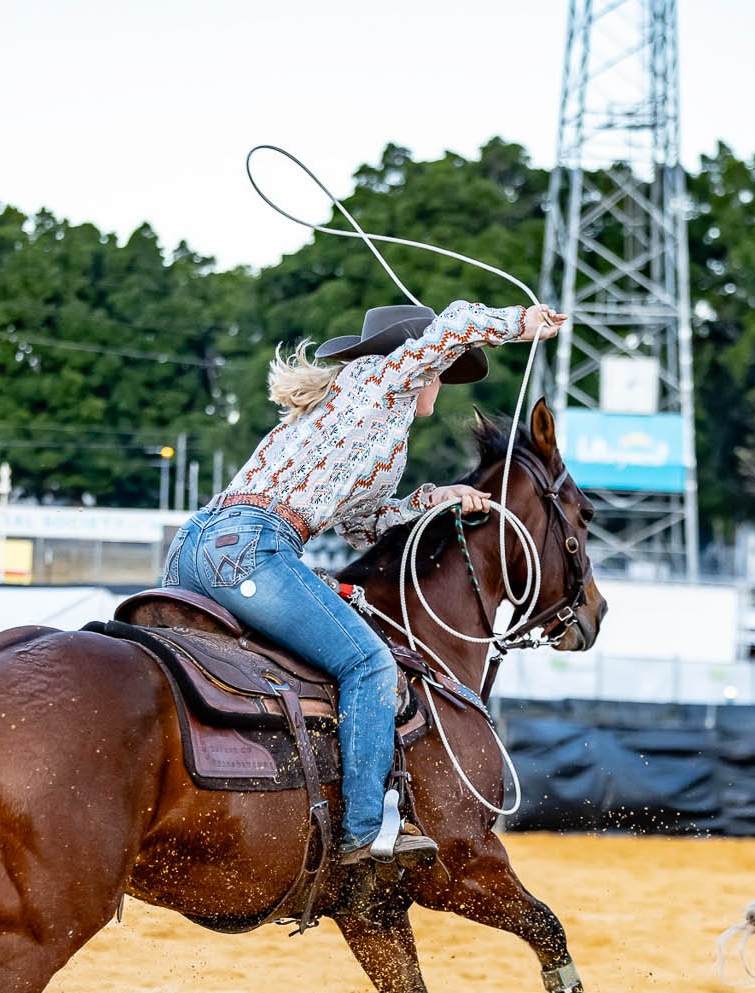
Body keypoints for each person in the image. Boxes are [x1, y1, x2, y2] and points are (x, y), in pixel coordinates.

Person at [163, 298, 565, 870]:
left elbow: (364, 526)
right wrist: (520, 324)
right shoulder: (377, 381)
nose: (443, 382)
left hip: (197, 547)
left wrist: (438, 499)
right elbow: (453, 322)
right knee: (369, 665)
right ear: (420, 365)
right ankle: (364, 827)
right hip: (252, 549)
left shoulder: (369, 425)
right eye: (442, 372)